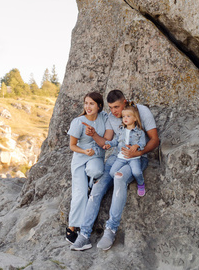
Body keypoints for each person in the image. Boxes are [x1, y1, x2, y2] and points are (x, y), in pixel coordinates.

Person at [71, 89, 159, 252]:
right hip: (116, 158)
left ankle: (110, 230)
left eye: (116, 107)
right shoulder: (112, 117)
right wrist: (95, 134)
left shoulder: (141, 111)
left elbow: (155, 139)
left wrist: (138, 152)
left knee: (119, 178)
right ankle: (84, 234)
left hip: (137, 158)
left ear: (125, 102)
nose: (113, 112)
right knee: (98, 187)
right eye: (110, 108)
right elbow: (107, 141)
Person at [66, 91, 112, 246]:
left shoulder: (104, 118)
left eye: (91, 103)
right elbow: (72, 146)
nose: (88, 106)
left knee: (97, 171)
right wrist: (84, 151)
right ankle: (71, 229)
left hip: (96, 156)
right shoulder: (78, 122)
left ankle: (90, 183)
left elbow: (107, 140)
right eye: (86, 103)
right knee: (79, 194)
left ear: (99, 106)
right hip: (80, 158)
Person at [103, 103, 146, 197]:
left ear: (135, 118)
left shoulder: (139, 132)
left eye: (128, 116)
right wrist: (108, 144)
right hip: (121, 157)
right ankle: (122, 183)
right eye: (123, 116)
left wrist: (137, 146)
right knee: (111, 172)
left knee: (137, 172)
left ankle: (141, 183)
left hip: (134, 158)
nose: (125, 118)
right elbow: (116, 141)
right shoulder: (121, 130)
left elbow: (143, 143)